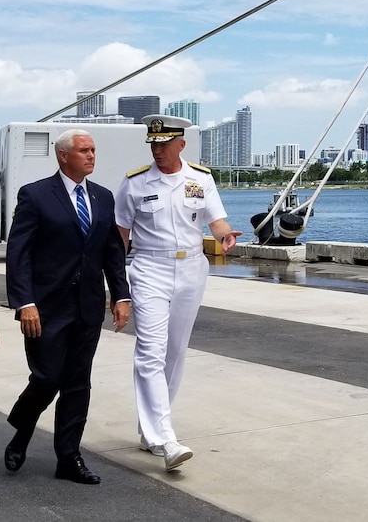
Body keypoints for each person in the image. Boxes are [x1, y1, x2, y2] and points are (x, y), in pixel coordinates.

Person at [4, 129, 131, 485]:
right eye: (84, 150)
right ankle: (23, 427)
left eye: (93, 150)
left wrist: (121, 295)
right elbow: (19, 252)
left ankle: (69, 456)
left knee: (77, 382)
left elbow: (111, 252)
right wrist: (24, 301)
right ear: (63, 156)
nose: (92, 156)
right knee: (47, 378)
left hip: (88, 306)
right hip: (45, 307)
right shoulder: (36, 195)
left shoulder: (103, 197)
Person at [116, 115, 240, 471]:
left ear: (181, 145)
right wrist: (115, 284)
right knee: (150, 351)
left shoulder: (200, 178)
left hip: (191, 270)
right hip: (149, 268)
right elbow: (120, 235)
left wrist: (225, 235)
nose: (157, 150)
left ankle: (150, 430)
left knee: (175, 352)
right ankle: (165, 438)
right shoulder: (135, 183)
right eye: (153, 144)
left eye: (164, 144)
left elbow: (214, 219)